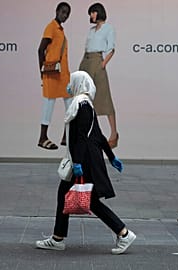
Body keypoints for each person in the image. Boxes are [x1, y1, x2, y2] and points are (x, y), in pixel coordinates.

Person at [36, 71, 136, 254]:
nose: (68, 85)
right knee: (64, 194)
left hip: (85, 160)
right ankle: (57, 238)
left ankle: (124, 233)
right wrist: (111, 157)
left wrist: (78, 164)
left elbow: (81, 137)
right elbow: (99, 136)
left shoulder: (79, 105)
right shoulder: (87, 104)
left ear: (78, 83)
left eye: (71, 82)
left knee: (90, 201)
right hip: (88, 158)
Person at [78, 3, 119, 149]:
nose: (91, 16)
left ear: (99, 12)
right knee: (85, 98)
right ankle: (88, 132)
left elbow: (111, 48)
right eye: (90, 13)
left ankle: (114, 133)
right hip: (86, 60)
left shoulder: (108, 28)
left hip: (97, 61)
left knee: (104, 96)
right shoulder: (91, 30)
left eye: (93, 12)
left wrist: (103, 64)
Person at [37, 2, 72, 150]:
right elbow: (40, 50)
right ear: (57, 11)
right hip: (52, 74)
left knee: (71, 105)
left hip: (63, 74)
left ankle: (67, 136)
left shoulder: (60, 30)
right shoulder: (51, 28)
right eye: (63, 12)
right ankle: (43, 137)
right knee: (48, 105)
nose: (65, 15)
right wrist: (42, 72)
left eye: (67, 14)